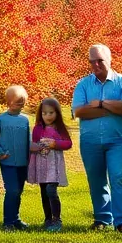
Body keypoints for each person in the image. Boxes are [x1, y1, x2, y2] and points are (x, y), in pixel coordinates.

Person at [72, 44, 122, 233]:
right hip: (89, 142)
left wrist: (100, 104)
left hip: (116, 141)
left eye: (99, 60)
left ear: (110, 59)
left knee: (118, 178)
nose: (95, 64)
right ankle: (102, 218)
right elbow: (79, 111)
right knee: (96, 180)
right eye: (92, 61)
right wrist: (110, 109)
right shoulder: (83, 84)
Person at [0, 85, 31, 231]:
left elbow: (28, 141)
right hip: (8, 162)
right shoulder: (1, 119)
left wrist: (32, 156)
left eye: (22, 102)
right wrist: (0, 152)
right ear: (8, 102)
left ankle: (16, 219)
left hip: (23, 163)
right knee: (12, 190)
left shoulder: (25, 120)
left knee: (18, 191)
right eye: (17, 101)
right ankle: (8, 222)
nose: (20, 105)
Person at [28, 97, 73, 232]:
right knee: (44, 192)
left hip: (54, 165)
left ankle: (56, 219)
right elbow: (32, 143)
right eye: (44, 113)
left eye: (51, 113)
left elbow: (68, 143)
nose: (47, 116)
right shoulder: (38, 128)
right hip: (41, 165)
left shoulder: (59, 128)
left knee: (51, 191)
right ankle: (47, 219)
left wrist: (55, 144)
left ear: (57, 113)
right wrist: (35, 147)